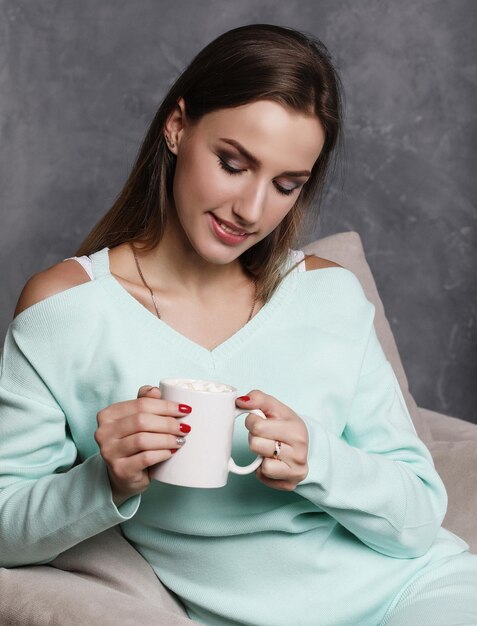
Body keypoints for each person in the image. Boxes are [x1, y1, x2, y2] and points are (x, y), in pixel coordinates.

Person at [0, 23, 476, 626]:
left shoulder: (326, 295)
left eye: (285, 185)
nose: (251, 211)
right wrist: (107, 480)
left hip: (415, 594)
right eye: (232, 164)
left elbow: (416, 521)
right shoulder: (66, 310)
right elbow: (4, 526)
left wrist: (319, 462)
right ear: (177, 128)